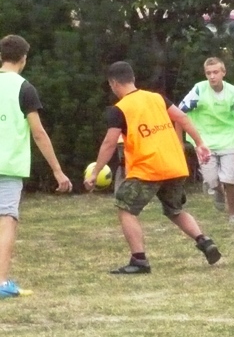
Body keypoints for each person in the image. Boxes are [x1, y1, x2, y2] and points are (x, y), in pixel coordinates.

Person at [84, 61, 221, 273]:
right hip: (174, 165)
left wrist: (95, 172)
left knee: (125, 208)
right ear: (133, 78)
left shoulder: (120, 109)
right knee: (175, 210)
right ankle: (205, 241)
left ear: (113, 83)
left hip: (148, 168)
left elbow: (109, 143)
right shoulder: (157, 98)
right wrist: (200, 143)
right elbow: (182, 117)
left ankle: (139, 261)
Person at [0, 35, 72, 298]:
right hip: (8, 166)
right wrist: (57, 170)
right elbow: (39, 133)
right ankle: (1, 282)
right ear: (24, 59)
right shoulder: (25, 88)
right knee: (7, 219)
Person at [178, 57, 234, 225]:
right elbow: (179, 114)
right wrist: (179, 143)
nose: (212, 76)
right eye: (208, 73)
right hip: (204, 143)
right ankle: (217, 190)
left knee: (231, 179)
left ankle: (233, 214)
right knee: (211, 179)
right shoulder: (199, 90)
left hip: (229, 141)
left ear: (223, 73)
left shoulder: (233, 92)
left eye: (215, 72)